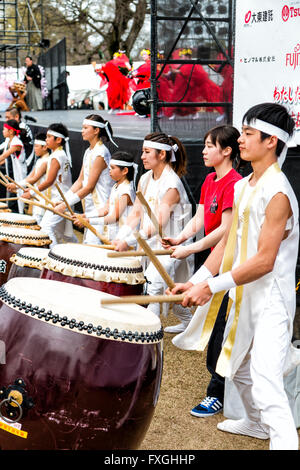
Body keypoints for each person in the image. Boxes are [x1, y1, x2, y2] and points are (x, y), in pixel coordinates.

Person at [170, 102, 300, 450]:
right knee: (238, 367)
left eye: (248, 133)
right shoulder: (243, 187)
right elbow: (228, 245)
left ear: (271, 141)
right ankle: (257, 425)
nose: (241, 139)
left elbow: (264, 261)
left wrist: (211, 286)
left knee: (266, 380)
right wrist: (199, 280)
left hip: (271, 299)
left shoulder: (278, 193)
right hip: (243, 294)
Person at [161, 125, 243, 418]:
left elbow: (225, 231)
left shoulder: (235, 184)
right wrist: (181, 238)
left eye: (210, 145)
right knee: (217, 327)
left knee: (223, 329)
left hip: (233, 264)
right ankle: (222, 389)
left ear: (227, 151)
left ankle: (217, 392)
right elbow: (200, 218)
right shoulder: (210, 179)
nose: (204, 150)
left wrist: (190, 250)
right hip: (215, 259)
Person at [113, 132, 193, 326]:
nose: (142, 157)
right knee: (168, 289)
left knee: (153, 285)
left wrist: (128, 241)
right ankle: (189, 324)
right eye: (142, 152)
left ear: (162, 155)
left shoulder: (172, 184)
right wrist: (120, 236)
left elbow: (158, 224)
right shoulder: (146, 178)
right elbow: (136, 214)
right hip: (150, 243)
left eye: (147, 152)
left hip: (171, 246)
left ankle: (150, 333)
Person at [54, 115, 116, 244]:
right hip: (89, 207)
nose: (82, 131)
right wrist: (63, 200)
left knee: (93, 248)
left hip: (101, 206)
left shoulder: (101, 153)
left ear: (96, 130)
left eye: (85, 128)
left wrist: (65, 204)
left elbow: (89, 187)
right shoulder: (89, 151)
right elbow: (80, 180)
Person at [23, 123, 76, 246]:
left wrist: (31, 192)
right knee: (65, 235)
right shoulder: (60, 155)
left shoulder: (57, 156)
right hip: (61, 200)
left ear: (58, 140)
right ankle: (78, 256)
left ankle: (53, 258)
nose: (46, 139)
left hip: (60, 201)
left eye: (48, 137)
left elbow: (49, 181)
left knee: (45, 229)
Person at [73, 150, 136, 241]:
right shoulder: (116, 186)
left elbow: (114, 217)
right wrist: (84, 216)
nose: (109, 171)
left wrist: (88, 221)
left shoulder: (126, 191)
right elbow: (105, 210)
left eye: (113, 168)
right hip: (113, 237)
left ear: (125, 170)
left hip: (125, 240)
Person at [7, 132, 50, 223]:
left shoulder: (46, 161)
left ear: (45, 147)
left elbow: (34, 179)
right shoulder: (40, 160)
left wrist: (16, 185)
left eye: (36, 146)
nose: (34, 149)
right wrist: (17, 186)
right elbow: (29, 177)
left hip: (44, 198)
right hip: (38, 197)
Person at [0, 119, 27, 213]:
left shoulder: (17, 143)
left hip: (19, 177)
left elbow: (4, 156)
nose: (2, 131)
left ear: (11, 131)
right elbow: (3, 160)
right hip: (11, 176)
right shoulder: (9, 141)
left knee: (15, 206)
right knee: (11, 203)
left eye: (4, 129)